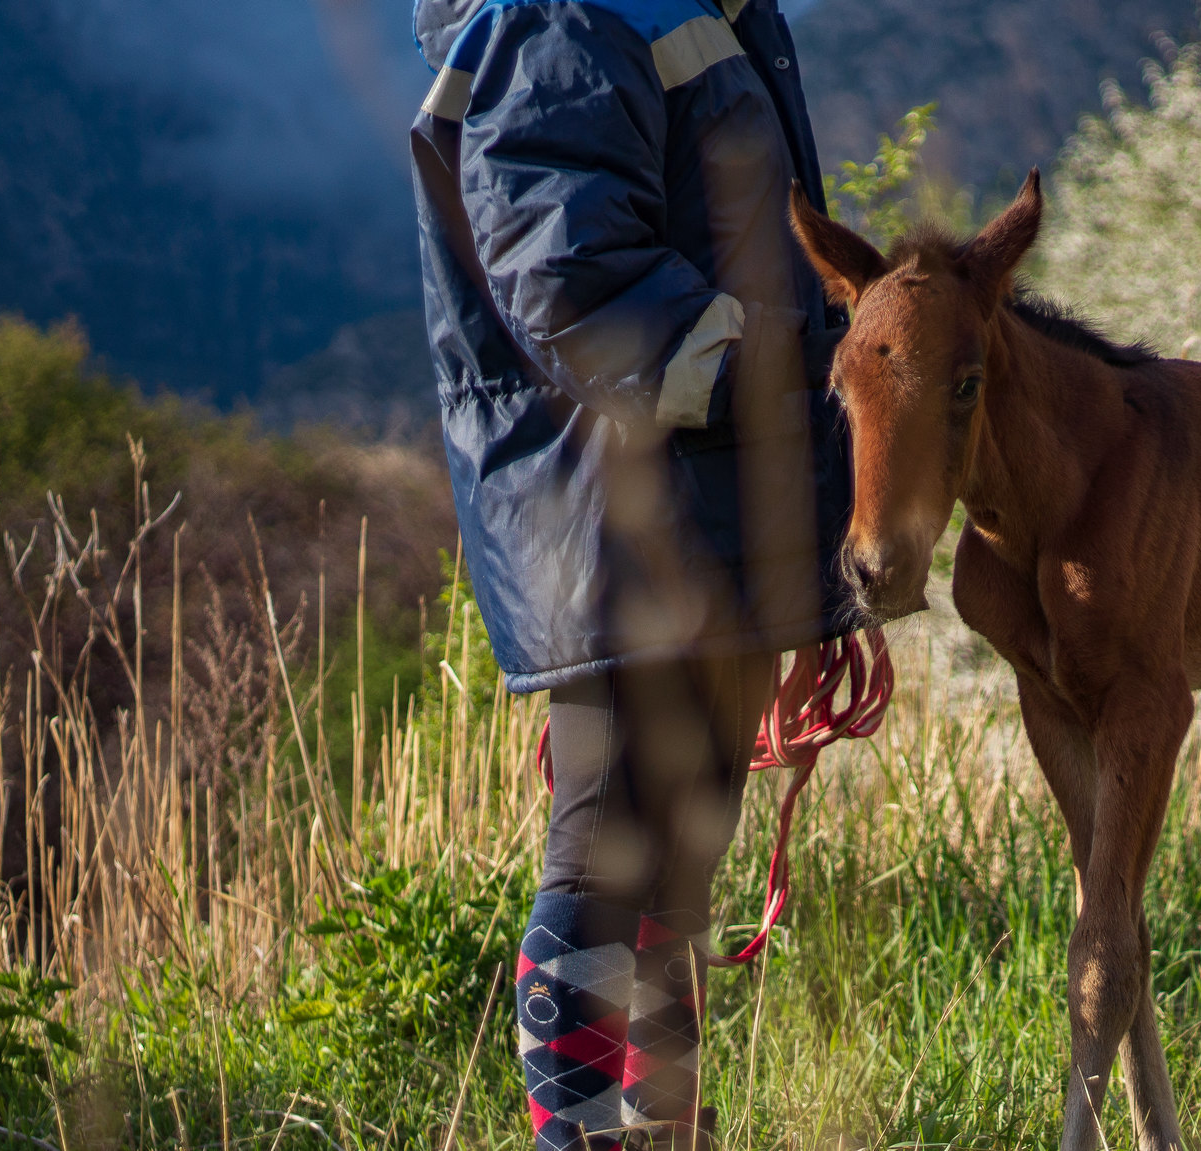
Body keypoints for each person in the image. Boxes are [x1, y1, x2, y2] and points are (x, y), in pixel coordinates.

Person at [409, 0, 854, 1146]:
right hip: (614, 514)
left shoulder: (694, 8)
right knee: (606, 851)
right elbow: (567, 271)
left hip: (703, 506)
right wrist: (765, 376)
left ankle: (658, 1136)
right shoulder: (565, 10)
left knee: (673, 863)